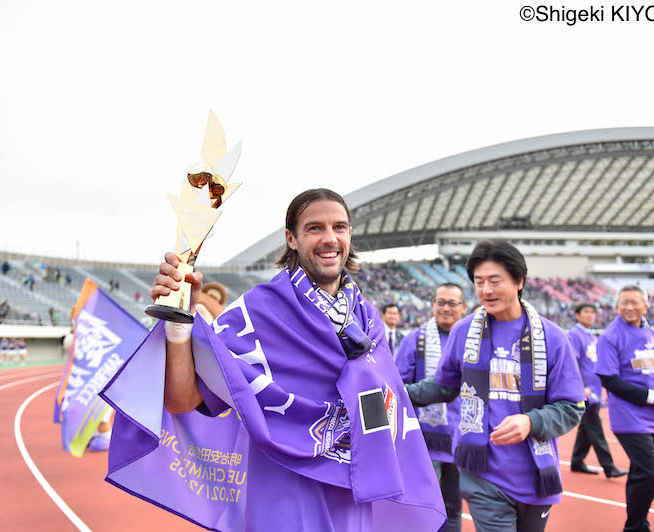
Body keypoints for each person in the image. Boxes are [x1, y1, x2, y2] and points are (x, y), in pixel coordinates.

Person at [144, 188, 446, 531]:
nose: (330, 238)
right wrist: (179, 323)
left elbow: (388, 412)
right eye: (314, 228)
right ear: (292, 238)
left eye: (340, 227)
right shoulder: (257, 312)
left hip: (352, 497)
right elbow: (182, 399)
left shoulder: (367, 319)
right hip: (284, 498)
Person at [406, 240, 586, 532]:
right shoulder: (464, 332)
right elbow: (442, 386)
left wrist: (531, 421)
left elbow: (572, 407)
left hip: (537, 475)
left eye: (495, 281)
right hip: (483, 475)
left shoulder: (553, 338)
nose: (486, 290)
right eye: (479, 282)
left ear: (519, 281)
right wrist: (396, 393)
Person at [596, 285, 654, 532]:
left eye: (634, 302)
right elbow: (609, 380)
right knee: (649, 475)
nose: (629, 307)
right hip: (628, 417)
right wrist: (653, 396)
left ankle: (638, 524)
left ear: (646, 306)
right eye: (624, 303)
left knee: (640, 474)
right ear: (617, 306)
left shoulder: (651, 333)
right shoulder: (610, 336)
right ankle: (636, 527)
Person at [396, 283, 467, 532]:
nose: (446, 308)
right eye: (441, 302)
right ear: (433, 305)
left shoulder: (471, 341)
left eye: (452, 303)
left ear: (463, 307)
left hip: (460, 438)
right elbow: (397, 386)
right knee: (425, 507)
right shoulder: (414, 340)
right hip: (424, 440)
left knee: (454, 506)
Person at [567, 303, 626, 478]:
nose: (590, 315)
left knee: (587, 427)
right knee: (595, 427)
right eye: (586, 312)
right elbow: (573, 362)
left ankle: (577, 461)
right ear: (577, 315)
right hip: (584, 390)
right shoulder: (574, 335)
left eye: (593, 312)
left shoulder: (593, 337)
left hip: (595, 388)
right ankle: (609, 466)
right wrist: (582, 386)